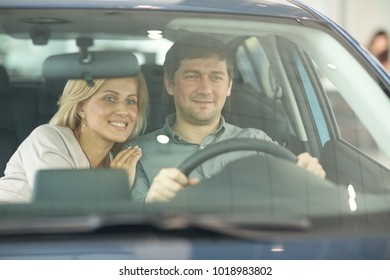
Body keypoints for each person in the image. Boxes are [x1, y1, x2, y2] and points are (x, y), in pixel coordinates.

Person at [125, 34, 326, 203]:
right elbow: (130, 231)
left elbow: (293, 200)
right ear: (169, 84)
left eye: (216, 77)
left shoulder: (257, 142)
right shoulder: (137, 154)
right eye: (192, 76)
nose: (205, 89)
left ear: (229, 86)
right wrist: (151, 202)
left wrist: (308, 176)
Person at [0, 74, 149, 203]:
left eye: (131, 101)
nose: (123, 111)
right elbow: (64, 212)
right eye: (109, 98)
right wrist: (115, 187)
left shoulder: (122, 161)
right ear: (80, 108)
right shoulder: (48, 138)